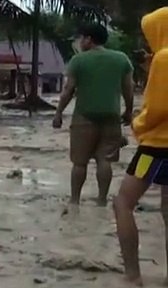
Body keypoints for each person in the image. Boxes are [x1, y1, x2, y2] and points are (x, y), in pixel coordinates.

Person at [112, 7, 168, 286]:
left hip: (157, 147)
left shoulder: (165, 58)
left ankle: (132, 275)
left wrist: (137, 124)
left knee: (123, 202)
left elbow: (158, 108)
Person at [52, 22, 135, 206]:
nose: (80, 42)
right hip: (111, 116)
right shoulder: (121, 59)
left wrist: (58, 113)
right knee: (105, 161)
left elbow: (68, 90)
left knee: (79, 163)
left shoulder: (78, 60)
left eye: (81, 38)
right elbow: (128, 89)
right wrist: (128, 111)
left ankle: (75, 201)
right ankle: (102, 201)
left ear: (89, 39)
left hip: (84, 116)